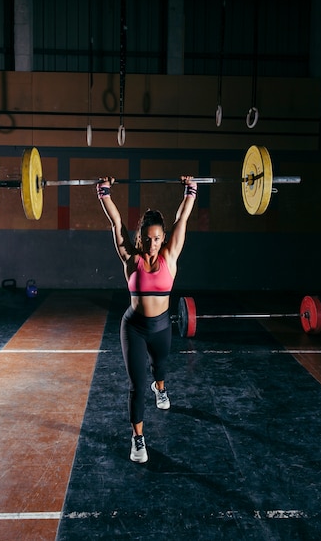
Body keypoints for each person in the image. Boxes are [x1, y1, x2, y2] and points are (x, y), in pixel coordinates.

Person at [97, 176, 197, 463]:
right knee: (136, 385)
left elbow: (182, 218)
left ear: (163, 237)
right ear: (140, 236)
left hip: (162, 326)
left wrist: (191, 191)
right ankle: (138, 438)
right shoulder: (131, 258)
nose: (153, 244)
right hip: (134, 328)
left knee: (160, 367)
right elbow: (117, 225)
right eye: (148, 238)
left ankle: (161, 389)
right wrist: (104, 193)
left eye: (158, 238)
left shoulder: (171, 255)